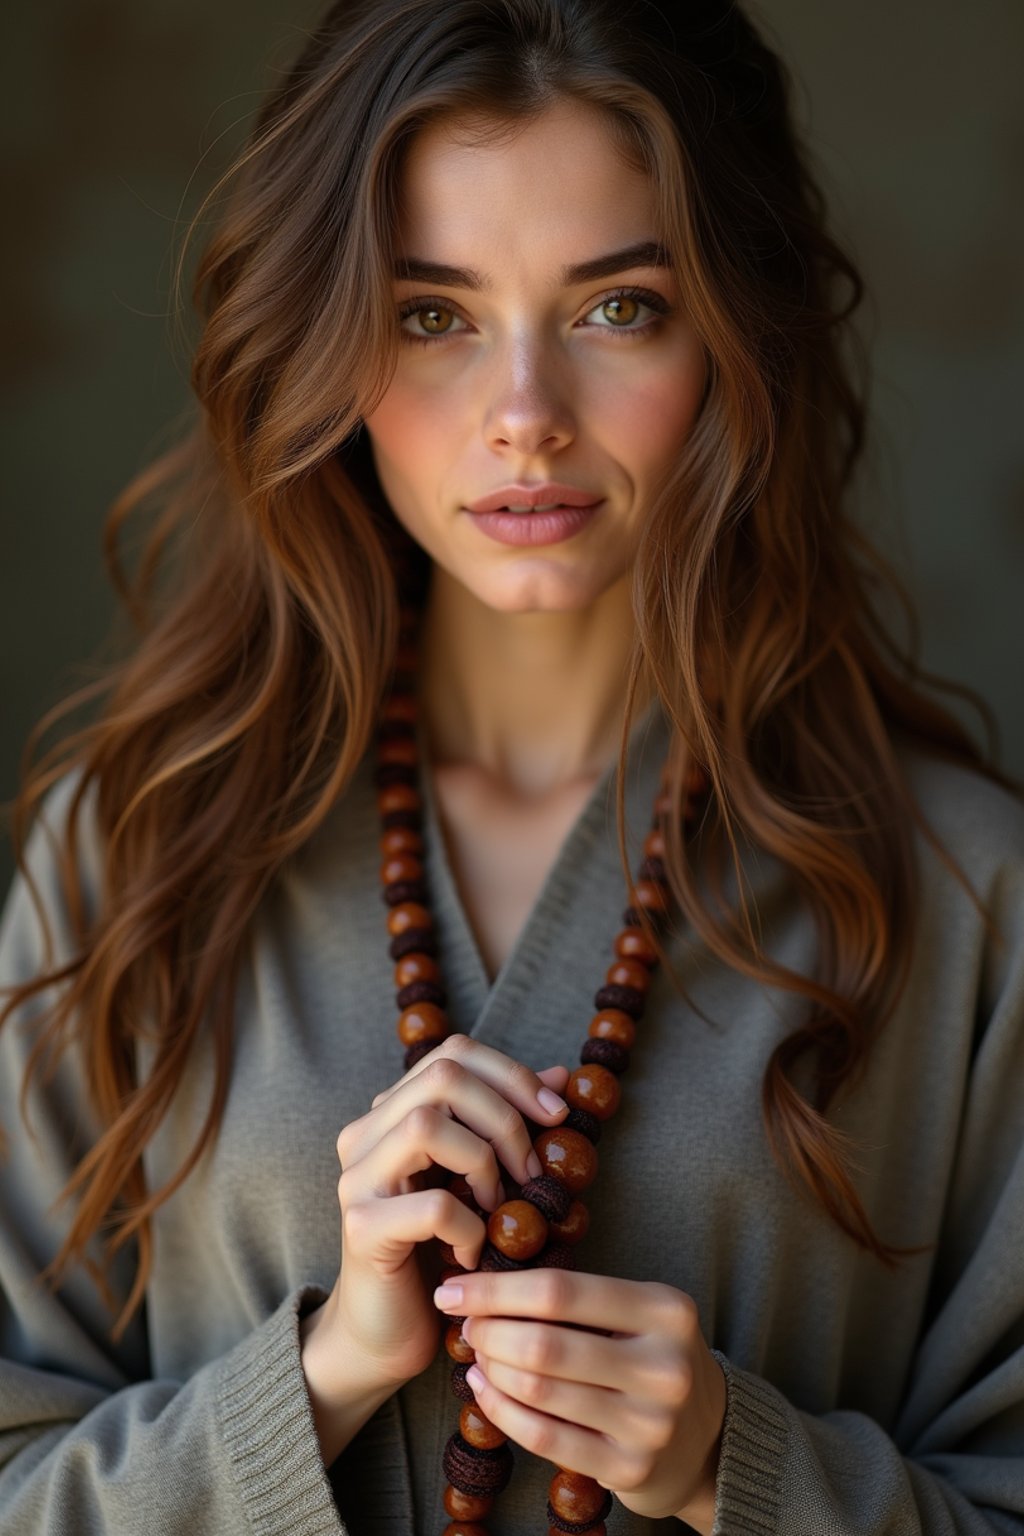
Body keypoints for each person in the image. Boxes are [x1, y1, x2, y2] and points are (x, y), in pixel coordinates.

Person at [1, 1, 1022, 1532]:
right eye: (432, 314)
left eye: (618, 310)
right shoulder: (131, 852)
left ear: (738, 341)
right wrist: (328, 1378)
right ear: (323, 344)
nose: (526, 418)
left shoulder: (959, 889)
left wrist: (736, 1469)